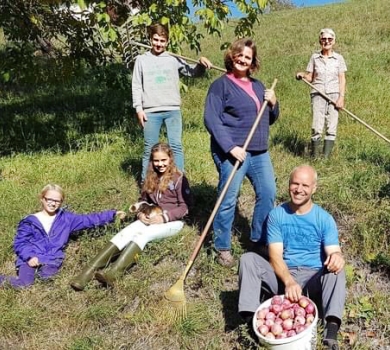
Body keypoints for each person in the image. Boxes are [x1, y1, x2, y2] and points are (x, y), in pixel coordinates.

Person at [238, 165, 346, 350]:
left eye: (305, 185)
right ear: (289, 185)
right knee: (248, 259)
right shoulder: (277, 215)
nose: (299, 189)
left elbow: (333, 251)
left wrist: (337, 257)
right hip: (283, 277)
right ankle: (251, 325)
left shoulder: (324, 218)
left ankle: (331, 330)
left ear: (314, 188)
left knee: (336, 270)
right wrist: (288, 281)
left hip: (313, 278)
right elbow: (275, 256)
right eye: (295, 183)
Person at [70, 143, 193, 290]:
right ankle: (87, 273)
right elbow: (144, 200)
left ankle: (114, 273)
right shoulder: (150, 177)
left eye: (163, 160)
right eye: (156, 161)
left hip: (173, 222)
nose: (160, 164)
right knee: (125, 232)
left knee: (143, 234)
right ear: (152, 161)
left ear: (170, 159)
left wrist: (163, 218)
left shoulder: (178, 179)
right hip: (150, 217)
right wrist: (141, 213)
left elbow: (186, 207)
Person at [203, 38, 279, 267]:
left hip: (258, 151)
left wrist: (274, 104)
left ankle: (258, 239)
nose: (243, 59)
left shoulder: (259, 85)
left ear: (252, 61)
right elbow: (211, 119)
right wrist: (231, 147)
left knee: (268, 193)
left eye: (248, 57)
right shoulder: (221, 85)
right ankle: (222, 247)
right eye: (240, 55)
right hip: (232, 151)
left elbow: (270, 119)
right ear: (232, 56)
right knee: (228, 199)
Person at [0, 184, 124, 289]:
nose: (52, 203)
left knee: (47, 281)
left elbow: (88, 219)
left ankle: (42, 275)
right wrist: (29, 257)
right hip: (30, 257)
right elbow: (20, 243)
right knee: (25, 284)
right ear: (42, 199)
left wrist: (112, 215)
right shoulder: (30, 221)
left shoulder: (67, 219)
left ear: (61, 202)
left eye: (57, 201)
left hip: (52, 259)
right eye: (49, 199)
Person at [132, 23, 213, 182]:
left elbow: (192, 72)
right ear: (150, 39)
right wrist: (138, 108)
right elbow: (136, 85)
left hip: (172, 110)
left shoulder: (173, 58)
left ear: (167, 41)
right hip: (150, 111)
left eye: (162, 41)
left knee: (175, 146)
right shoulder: (141, 60)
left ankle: (179, 183)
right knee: (150, 148)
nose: (158, 44)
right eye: (155, 40)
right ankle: (146, 185)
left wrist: (201, 63)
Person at [296, 28, 347, 159]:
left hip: (334, 94)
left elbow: (342, 78)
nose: (326, 41)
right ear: (320, 41)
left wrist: (341, 97)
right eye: (324, 39)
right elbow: (310, 76)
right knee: (316, 125)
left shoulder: (338, 58)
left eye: (329, 39)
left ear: (334, 41)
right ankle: (315, 156)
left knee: (331, 125)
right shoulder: (314, 57)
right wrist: (302, 75)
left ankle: (325, 158)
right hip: (318, 93)